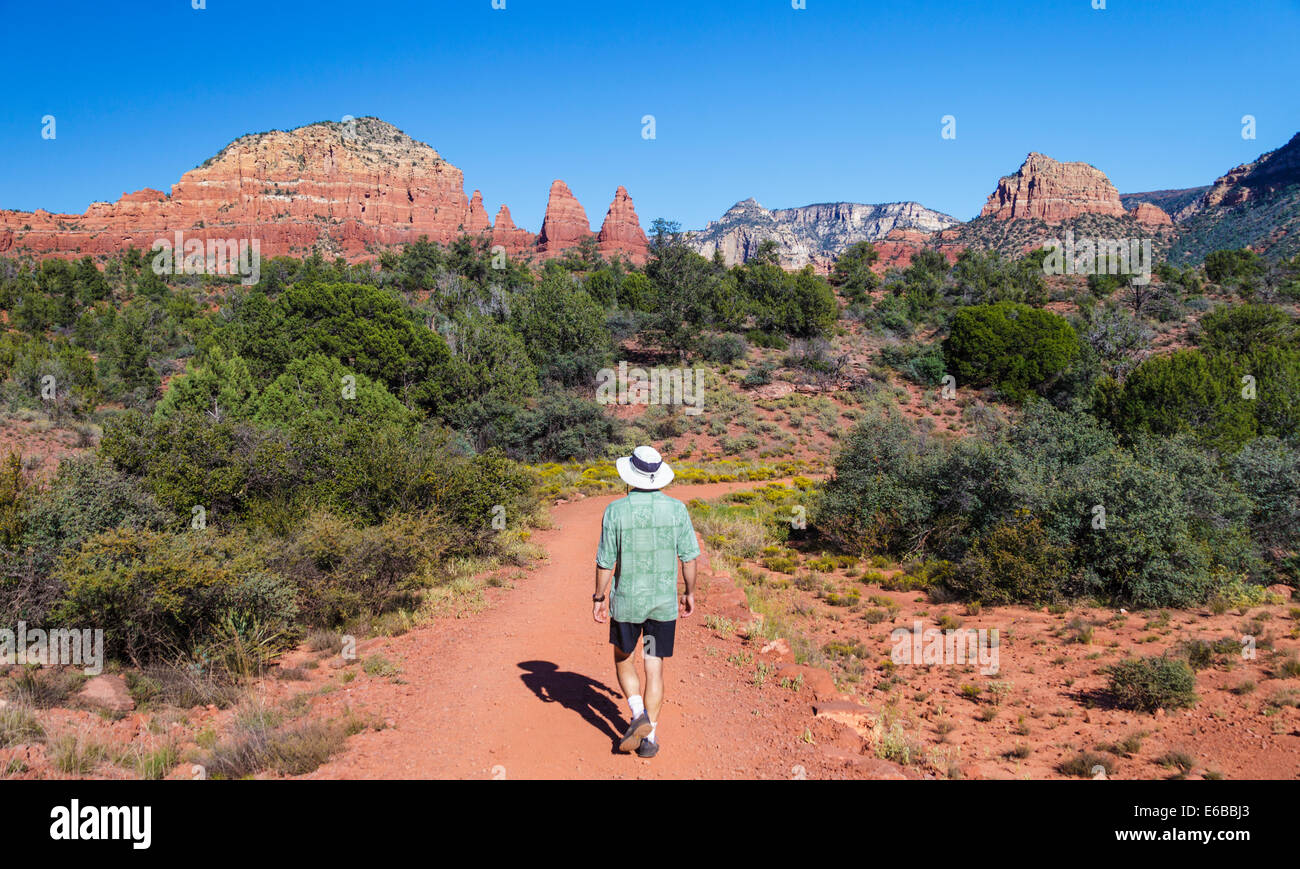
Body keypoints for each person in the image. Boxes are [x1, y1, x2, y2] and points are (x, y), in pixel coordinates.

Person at [591, 445, 699, 758]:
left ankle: (638, 715)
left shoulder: (615, 510)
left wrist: (599, 597)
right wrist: (689, 592)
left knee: (624, 658)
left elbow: (604, 562)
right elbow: (689, 556)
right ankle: (649, 738)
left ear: (631, 475)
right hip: (661, 606)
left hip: (627, 605)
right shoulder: (677, 509)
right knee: (654, 665)